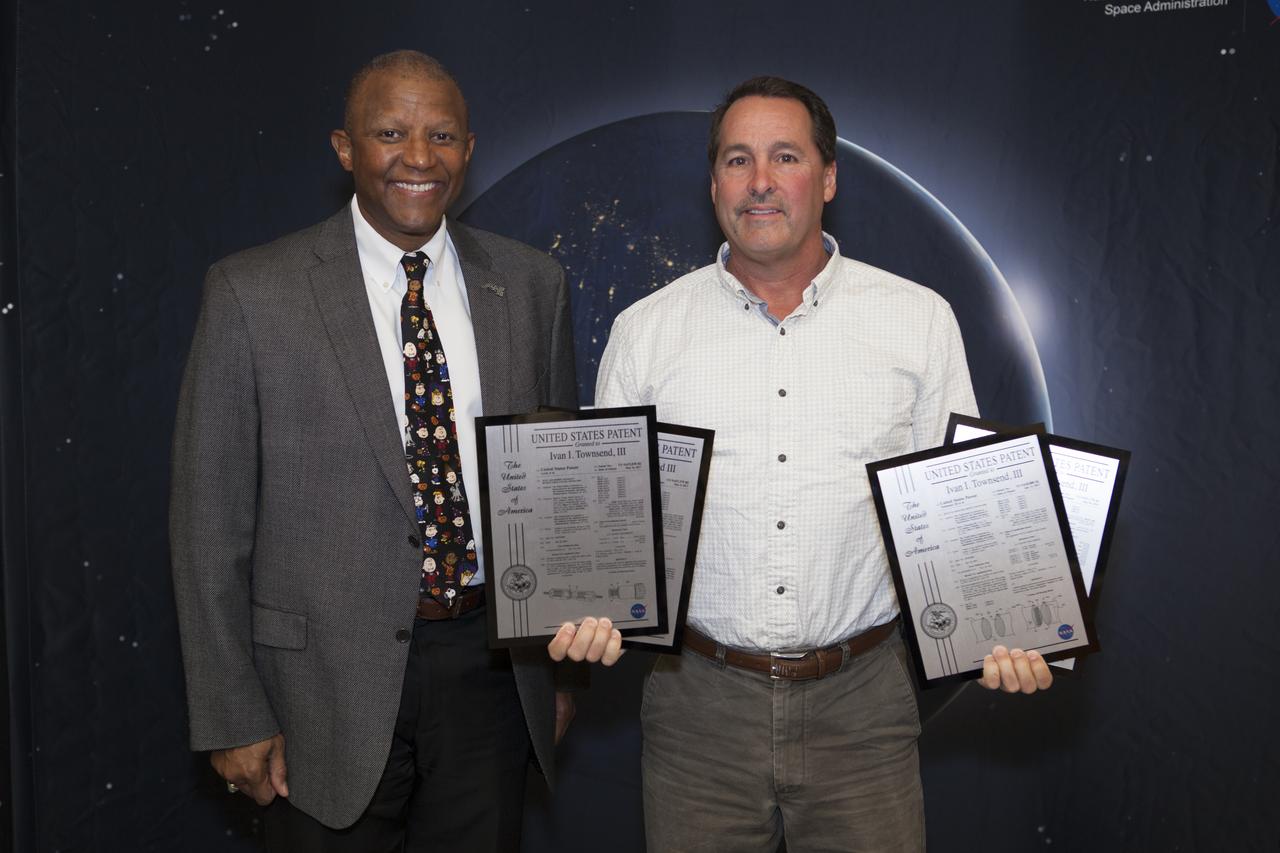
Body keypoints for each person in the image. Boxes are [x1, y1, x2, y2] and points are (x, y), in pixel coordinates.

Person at [550, 76, 1053, 852]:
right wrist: (585, 607)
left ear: (826, 178)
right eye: (736, 159)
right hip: (696, 711)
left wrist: (1007, 624)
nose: (759, 181)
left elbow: (964, 510)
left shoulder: (917, 321)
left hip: (865, 708)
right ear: (713, 181)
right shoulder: (645, 331)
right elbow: (605, 533)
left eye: (785, 156)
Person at [171, 50, 579, 852]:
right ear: (345, 147)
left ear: (469, 148)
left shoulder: (534, 286)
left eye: (442, 135)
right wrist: (232, 711)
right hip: (316, 692)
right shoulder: (252, 292)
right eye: (390, 133)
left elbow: (558, 496)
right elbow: (205, 523)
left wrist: (560, 675)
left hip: (490, 676)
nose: (419, 157)